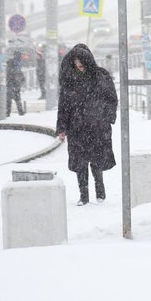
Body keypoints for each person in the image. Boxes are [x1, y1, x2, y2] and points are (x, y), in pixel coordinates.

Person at [55, 43, 117, 205]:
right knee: (80, 163)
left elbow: (111, 99)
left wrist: (107, 117)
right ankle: (84, 196)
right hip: (77, 128)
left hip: (97, 126)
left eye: (82, 65)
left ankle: (100, 193)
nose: (80, 68)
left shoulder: (101, 76)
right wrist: (62, 128)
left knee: (97, 161)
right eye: (77, 65)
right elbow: (63, 106)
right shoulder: (69, 81)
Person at [5, 50, 26, 116]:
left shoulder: (14, 62)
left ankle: (8, 112)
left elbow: (16, 72)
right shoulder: (15, 62)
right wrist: (21, 78)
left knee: (10, 99)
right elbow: (17, 72)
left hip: (12, 83)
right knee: (16, 98)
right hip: (14, 83)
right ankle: (19, 112)